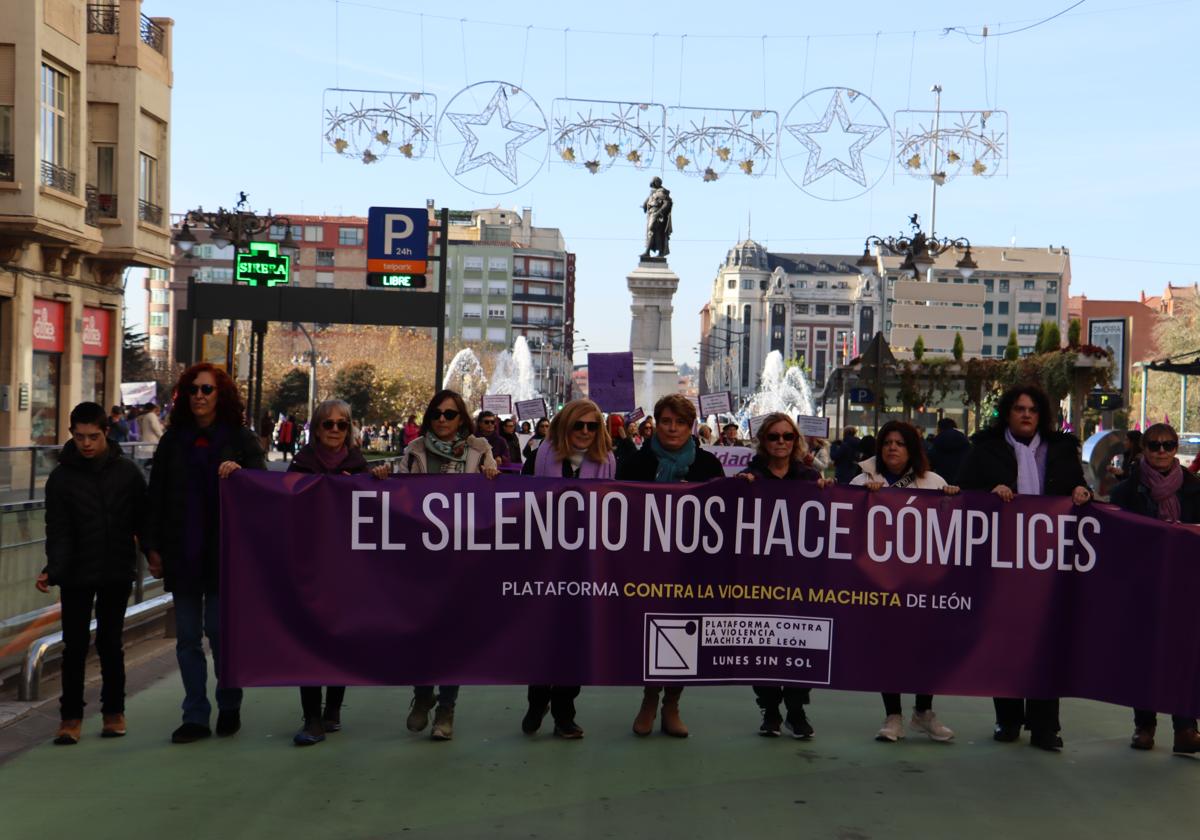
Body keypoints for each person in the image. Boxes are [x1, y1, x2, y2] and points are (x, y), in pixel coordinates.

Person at [956, 384, 1092, 752]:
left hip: (1051, 564)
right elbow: (963, 493)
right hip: (1001, 563)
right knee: (1006, 640)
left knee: (1048, 643)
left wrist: (1081, 492)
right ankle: (1009, 718)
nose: (1027, 414)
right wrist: (989, 492)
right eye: (1019, 408)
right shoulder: (984, 449)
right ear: (1007, 412)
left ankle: (1046, 726)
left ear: (1042, 415)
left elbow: (1075, 486)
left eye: (1033, 409)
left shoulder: (1061, 449)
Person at [143, 363, 266, 744]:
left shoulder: (240, 439)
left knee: (219, 631)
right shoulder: (172, 440)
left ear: (220, 395)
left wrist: (240, 472)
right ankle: (195, 713)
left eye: (207, 389)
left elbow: (263, 486)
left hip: (224, 555)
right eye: (193, 389)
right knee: (186, 638)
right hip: (181, 552)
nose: (199, 395)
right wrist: (151, 547)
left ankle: (229, 702)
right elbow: (155, 497)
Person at [38, 402, 147, 745]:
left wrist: (156, 555)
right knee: (74, 646)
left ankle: (113, 711)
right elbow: (57, 529)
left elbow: (143, 519)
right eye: (80, 436)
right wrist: (52, 569)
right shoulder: (61, 478)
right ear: (71, 434)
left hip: (115, 567)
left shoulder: (127, 473)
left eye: (93, 437)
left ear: (105, 433)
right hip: (75, 571)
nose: (86, 443)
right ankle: (70, 717)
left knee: (110, 642)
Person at [394, 389, 499, 740]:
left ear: (461, 419)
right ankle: (423, 695)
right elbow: (396, 492)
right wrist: (381, 476)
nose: (442, 419)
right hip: (421, 561)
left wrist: (492, 474)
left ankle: (447, 709)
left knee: (453, 637)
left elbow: (494, 488)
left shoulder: (479, 450)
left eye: (450, 414)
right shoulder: (414, 451)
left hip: (463, 560)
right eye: (437, 413)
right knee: (421, 634)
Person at [618, 394, 724, 738]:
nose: (672, 428)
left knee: (685, 632)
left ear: (690, 426)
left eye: (679, 422)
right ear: (656, 424)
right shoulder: (636, 463)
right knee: (649, 631)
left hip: (692, 566)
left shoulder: (708, 465)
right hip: (645, 565)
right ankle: (649, 698)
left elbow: (724, 516)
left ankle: (673, 703)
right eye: (666, 421)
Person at [285, 400, 388, 746]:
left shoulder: (360, 466)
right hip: (310, 565)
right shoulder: (299, 465)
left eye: (341, 425)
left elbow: (378, 515)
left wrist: (374, 483)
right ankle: (312, 717)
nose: (334, 430)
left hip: (348, 566)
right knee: (310, 637)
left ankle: (333, 708)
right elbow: (279, 507)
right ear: (316, 428)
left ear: (349, 430)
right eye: (327, 424)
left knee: (341, 635)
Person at [852, 420, 961, 744]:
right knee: (889, 649)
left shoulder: (933, 481)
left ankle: (923, 712)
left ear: (912, 449)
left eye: (900, 443)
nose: (893, 448)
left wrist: (951, 498)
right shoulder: (862, 480)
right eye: (887, 442)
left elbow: (952, 527)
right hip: (881, 584)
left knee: (926, 648)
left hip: (923, 585)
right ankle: (893, 716)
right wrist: (863, 498)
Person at [521, 399, 616, 739]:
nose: (586, 433)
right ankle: (537, 698)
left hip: (586, 566)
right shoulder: (540, 456)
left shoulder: (609, 462)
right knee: (542, 636)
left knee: (575, 640)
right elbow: (519, 502)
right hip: (544, 563)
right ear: (565, 426)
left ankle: (564, 712)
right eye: (580, 426)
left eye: (593, 427)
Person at [736, 413, 830, 740]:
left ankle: (796, 708)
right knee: (761, 641)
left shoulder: (808, 478)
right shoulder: (749, 476)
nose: (780, 442)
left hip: (798, 579)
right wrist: (737, 491)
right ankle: (770, 708)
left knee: (800, 642)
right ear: (763, 441)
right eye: (773, 436)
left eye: (787, 437)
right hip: (757, 578)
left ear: (795, 441)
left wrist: (826, 494)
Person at [1110, 423, 1200, 754]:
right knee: (1144, 656)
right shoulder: (1126, 491)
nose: (1162, 451)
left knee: (1187, 655)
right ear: (1143, 449)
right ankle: (1144, 726)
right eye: (1154, 445)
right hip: (1142, 586)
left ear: (1176, 448)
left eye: (1168, 445)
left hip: (1187, 587)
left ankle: (1186, 727)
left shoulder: (1194, 489)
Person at [640, 176, 673, 258]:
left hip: (656, 214)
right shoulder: (653, 192)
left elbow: (667, 203)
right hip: (651, 214)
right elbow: (648, 201)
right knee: (654, 233)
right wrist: (645, 205)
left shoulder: (661, 192)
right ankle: (659, 252)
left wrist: (659, 212)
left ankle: (647, 252)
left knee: (651, 230)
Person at [929, 417, 970, 482]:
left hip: (941, 480)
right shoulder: (963, 439)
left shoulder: (938, 440)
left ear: (940, 428)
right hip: (961, 480)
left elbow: (930, 461)